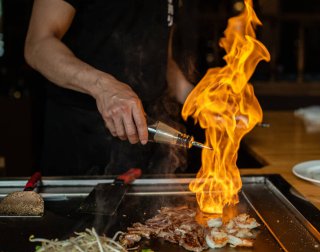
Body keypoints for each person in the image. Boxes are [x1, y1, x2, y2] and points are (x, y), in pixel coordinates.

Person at [24, 0, 194, 176]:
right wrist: (103, 87)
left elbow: (163, 63)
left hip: (145, 142)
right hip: (81, 141)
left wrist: (204, 103)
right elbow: (38, 45)